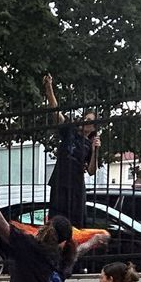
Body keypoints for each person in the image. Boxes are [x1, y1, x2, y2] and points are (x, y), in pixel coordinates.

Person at [40, 72, 97, 226]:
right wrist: (49, 88)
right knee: (56, 223)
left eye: (90, 120)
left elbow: (91, 171)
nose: (85, 121)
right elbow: (56, 112)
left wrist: (95, 149)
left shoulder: (89, 145)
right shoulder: (69, 131)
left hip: (76, 188)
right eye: (85, 118)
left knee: (76, 225)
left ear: (93, 127)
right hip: (60, 183)